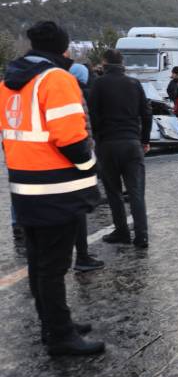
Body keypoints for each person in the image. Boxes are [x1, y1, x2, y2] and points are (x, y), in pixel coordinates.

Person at [0, 21, 104, 356]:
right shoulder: (57, 79)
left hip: (26, 187)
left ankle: (52, 323)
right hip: (57, 189)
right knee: (54, 266)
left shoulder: (9, 82)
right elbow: (72, 139)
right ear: (63, 48)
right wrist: (91, 166)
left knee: (39, 262)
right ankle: (60, 336)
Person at [88, 49, 152, 248]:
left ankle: (122, 232)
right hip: (132, 143)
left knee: (114, 192)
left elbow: (92, 115)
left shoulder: (98, 84)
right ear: (122, 63)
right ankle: (141, 236)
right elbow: (147, 113)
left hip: (107, 144)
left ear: (104, 63)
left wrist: (98, 138)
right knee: (136, 192)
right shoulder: (134, 84)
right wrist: (145, 139)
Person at [69, 60, 105, 271]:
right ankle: (81, 256)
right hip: (81, 155)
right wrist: (89, 163)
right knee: (79, 208)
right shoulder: (79, 93)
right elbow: (81, 129)